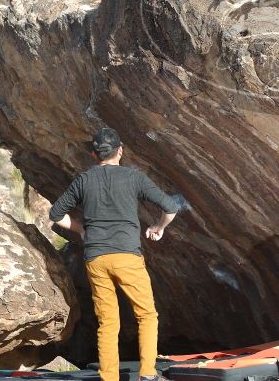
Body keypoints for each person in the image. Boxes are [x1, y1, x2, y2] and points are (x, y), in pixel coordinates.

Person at [49, 128, 181, 381]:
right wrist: (158, 227)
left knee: (108, 322)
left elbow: (55, 214)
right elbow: (170, 207)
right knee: (146, 315)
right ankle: (148, 374)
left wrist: (81, 229)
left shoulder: (84, 180)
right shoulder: (134, 178)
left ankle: (109, 377)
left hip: (96, 258)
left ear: (93, 154)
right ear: (120, 150)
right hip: (127, 256)